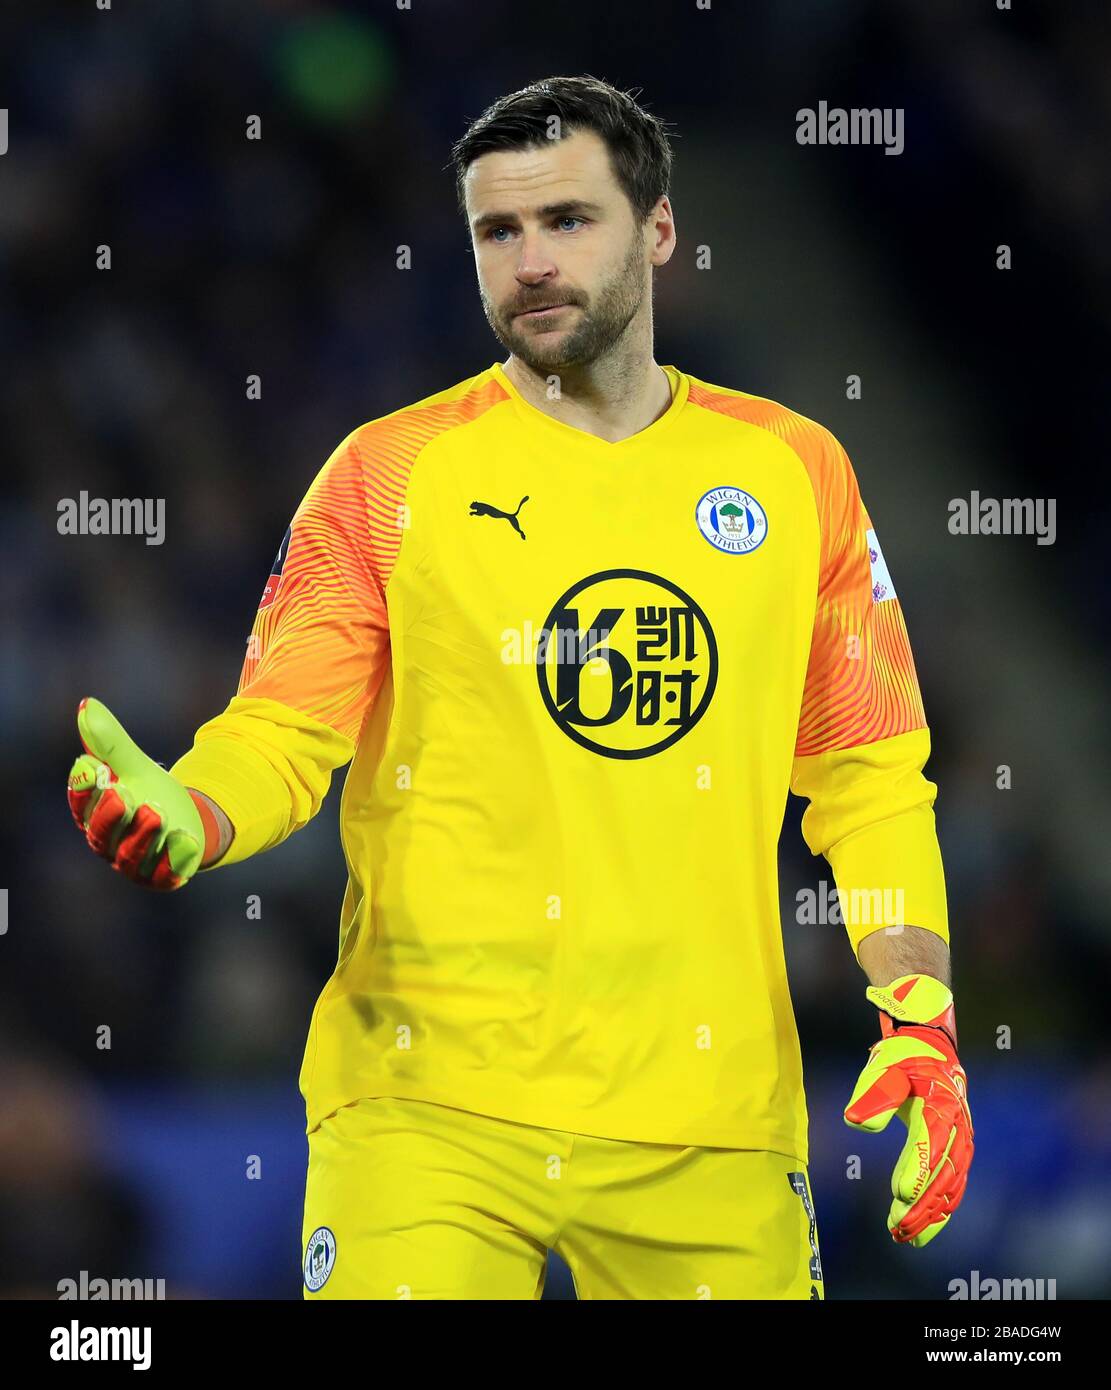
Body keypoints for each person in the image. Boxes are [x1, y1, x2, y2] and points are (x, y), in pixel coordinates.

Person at [68, 74, 972, 1300]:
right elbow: (284, 728)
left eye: (567, 221)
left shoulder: (794, 470)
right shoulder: (389, 472)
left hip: (709, 1119)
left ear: (655, 231)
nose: (531, 260)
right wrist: (198, 810)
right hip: (426, 1106)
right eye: (499, 232)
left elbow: (867, 776)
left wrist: (917, 1010)